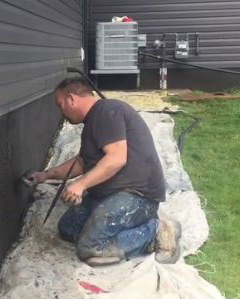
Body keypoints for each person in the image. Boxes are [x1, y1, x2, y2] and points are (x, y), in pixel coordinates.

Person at [29, 78, 181, 266]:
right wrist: (46, 175)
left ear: (71, 99)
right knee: (67, 228)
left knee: (90, 248)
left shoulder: (107, 110)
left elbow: (117, 158)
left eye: (60, 105)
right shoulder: (93, 123)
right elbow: (83, 163)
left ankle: (157, 231)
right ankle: (122, 232)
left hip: (137, 197)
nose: (61, 112)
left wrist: (81, 184)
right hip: (108, 197)